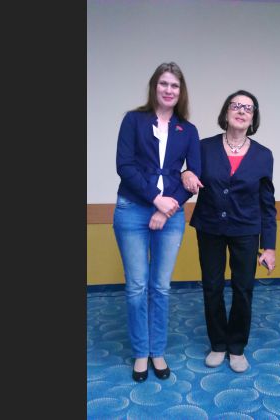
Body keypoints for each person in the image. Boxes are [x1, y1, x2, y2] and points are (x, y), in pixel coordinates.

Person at [113, 62, 201, 382]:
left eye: (174, 85)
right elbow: (125, 166)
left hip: (171, 215)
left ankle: (157, 350)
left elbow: (194, 176)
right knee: (137, 286)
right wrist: (155, 198)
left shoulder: (187, 130)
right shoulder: (133, 120)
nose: (168, 90)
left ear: (181, 92)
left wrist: (165, 209)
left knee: (160, 287)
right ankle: (141, 352)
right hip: (132, 210)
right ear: (154, 87)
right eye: (163, 83)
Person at [181, 89, 276, 373]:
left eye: (248, 108)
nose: (241, 111)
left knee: (243, 288)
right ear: (226, 112)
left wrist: (269, 246)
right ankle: (218, 344)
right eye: (236, 106)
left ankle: (236, 347)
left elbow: (267, 203)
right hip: (210, 226)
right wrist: (184, 173)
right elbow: (187, 175)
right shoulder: (204, 147)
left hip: (246, 229)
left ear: (253, 118)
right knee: (212, 286)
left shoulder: (263, 155)